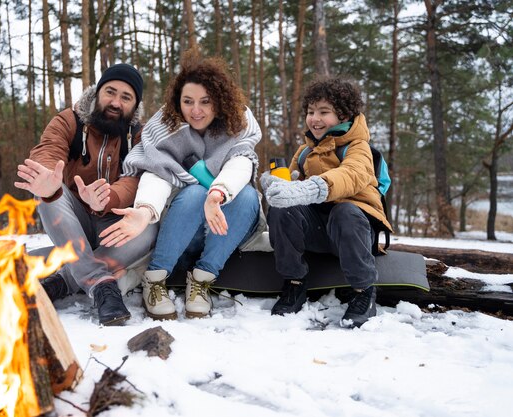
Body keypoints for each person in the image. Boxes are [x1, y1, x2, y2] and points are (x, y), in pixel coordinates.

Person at [100, 50, 262, 320]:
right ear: (178, 102)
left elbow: (242, 162)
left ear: (219, 102)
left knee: (246, 196)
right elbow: (157, 172)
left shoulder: (239, 121)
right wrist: (145, 210)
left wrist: (218, 194)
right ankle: (155, 278)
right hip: (183, 226)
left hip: (226, 225)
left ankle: (201, 279)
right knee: (196, 191)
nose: (195, 111)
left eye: (205, 102)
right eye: (188, 101)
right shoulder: (165, 125)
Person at [14, 64, 157, 326]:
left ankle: (65, 279)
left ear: (135, 105)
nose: (115, 102)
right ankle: (101, 284)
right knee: (48, 193)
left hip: (114, 226)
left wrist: (108, 198)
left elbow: (136, 178)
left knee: (149, 226)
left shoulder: (140, 134)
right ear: (97, 92)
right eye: (110, 92)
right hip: (73, 224)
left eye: (126, 97)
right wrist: (47, 175)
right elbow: (49, 148)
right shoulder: (70, 120)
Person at [260, 76, 392, 328]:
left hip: (354, 231)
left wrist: (312, 187)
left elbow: (350, 175)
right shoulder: (305, 150)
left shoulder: (358, 147)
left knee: (345, 211)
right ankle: (295, 282)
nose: (315, 119)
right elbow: (291, 189)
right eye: (311, 111)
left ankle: (364, 292)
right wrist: (275, 185)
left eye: (324, 112)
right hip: (319, 231)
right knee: (281, 209)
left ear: (343, 116)